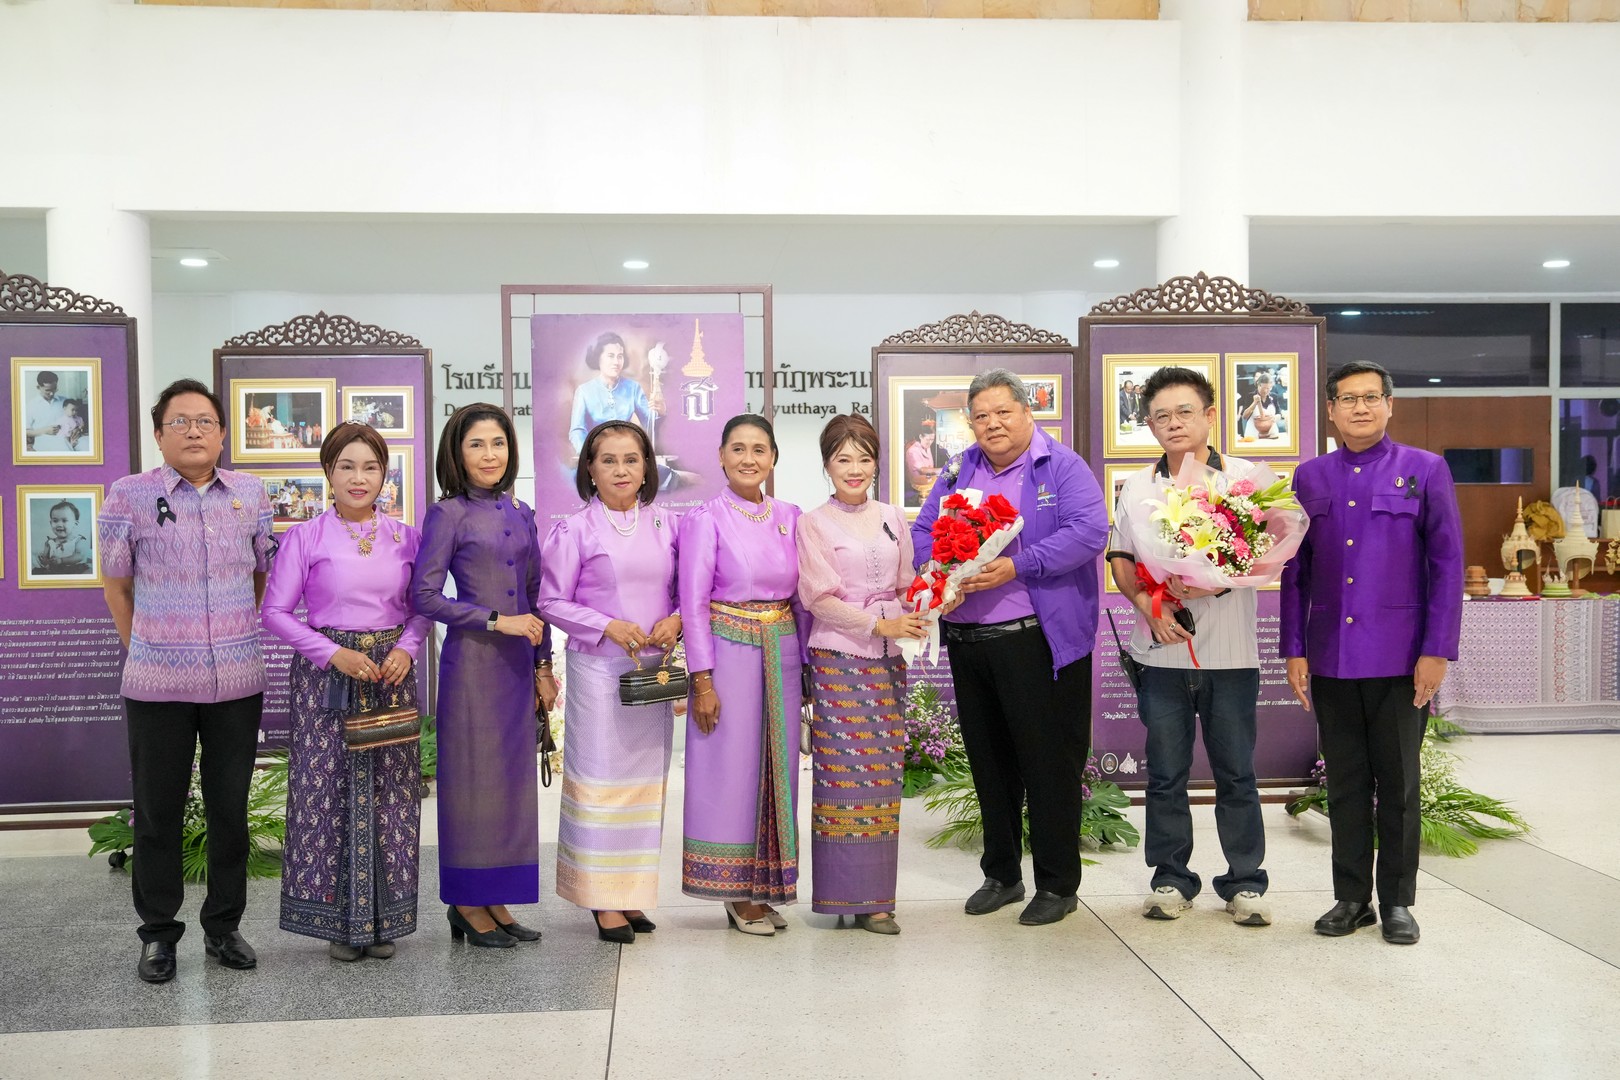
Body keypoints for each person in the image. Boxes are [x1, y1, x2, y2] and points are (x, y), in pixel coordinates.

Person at [911, 368, 1107, 927]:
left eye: (1003, 412)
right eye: (981, 416)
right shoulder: (959, 468)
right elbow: (924, 531)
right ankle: (1001, 874)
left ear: (1027, 412)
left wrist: (1018, 565)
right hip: (969, 641)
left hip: (1037, 641)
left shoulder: (1061, 465)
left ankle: (1058, 884)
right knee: (989, 764)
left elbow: (1089, 531)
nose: (992, 424)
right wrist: (940, 571)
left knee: (1049, 765)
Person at [98, 378, 276, 984]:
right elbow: (117, 587)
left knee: (230, 810)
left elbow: (260, 574)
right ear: (159, 434)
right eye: (180, 421)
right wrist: (146, 648)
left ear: (223, 433)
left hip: (237, 680)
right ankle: (158, 934)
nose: (194, 430)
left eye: (205, 421)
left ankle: (223, 927)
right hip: (157, 684)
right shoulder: (129, 495)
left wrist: (234, 628)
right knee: (157, 813)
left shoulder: (251, 493)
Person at [1281, 361, 1463, 946]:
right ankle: (1352, 898)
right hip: (1331, 657)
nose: (1360, 407)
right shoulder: (1310, 476)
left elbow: (1447, 565)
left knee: (1400, 784)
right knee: (1346, 783)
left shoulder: (1425, 470)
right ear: (1330, 410)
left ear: (1389, 405)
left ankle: (1398, 902)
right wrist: (1294, 648)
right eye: (1347, 398)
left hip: (1401, 659)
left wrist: (1437, 650)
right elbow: (1294, 571)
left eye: (1370, 397)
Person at [1105, 367, 1272, 928]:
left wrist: (1211, 583)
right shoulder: (1136, 487)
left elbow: (1260, 552)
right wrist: (1148, 604)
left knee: (1237, 773)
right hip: (1159, 656)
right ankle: (1170, 879)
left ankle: (1245, 883)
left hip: (1231, 655)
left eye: (1184, 412)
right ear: (1149, 424)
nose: (1173, 423)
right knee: (1165, 774)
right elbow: (1121, 558)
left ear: (1210, 415)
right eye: (1161, 416)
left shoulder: (1245, 479)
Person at [262, 422, 430, 962]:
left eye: (370, 467)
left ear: (385, 474)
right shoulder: (305, 537)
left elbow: (423, 607)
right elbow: (275, 612)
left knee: (391, 794)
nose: (359, 478)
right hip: (327, 680)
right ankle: (339, 922)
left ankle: (384, 919)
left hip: (390, 678)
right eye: (346, 467)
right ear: (328, 474)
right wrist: (332, 654)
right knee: (328, 792)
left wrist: (407, 648)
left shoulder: (407, 537)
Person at [411, 402, 556, 949]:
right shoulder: (447, 514)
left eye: (498, 443)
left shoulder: (522, 511)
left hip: (518, 666)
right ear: (457, 452)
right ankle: (467, 903)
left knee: (511, 787)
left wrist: (544, 666)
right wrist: (495, 620)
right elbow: (424, 596)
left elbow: (535, 595)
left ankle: (497, 899)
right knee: (473, 785)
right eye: (477, 444)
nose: (490, 454)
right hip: (471, 666)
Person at [537, 421, 681, 944]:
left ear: (646, 469)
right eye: (608, 460)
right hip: (599, 672)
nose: (621, 469)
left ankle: (631, 892)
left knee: (645, 785)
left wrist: (678, 619)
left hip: (652, 673)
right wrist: (606, 625)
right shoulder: (574, 530)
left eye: (631, 459)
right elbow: (550, 601)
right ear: (590, 470)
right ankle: (601, 898)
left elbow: (687, 591)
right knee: (600, 783)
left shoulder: (669, 525)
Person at [679, 413, 810, 936]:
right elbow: (692, 605)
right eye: (738, 449)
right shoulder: (704, 518)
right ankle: (734, 892)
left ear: (773, 457)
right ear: (721, 456)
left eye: (759, 449)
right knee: (731, 770)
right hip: (728, 654)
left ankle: (765, 886)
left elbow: (801, 598)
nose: (749, 459)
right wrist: (702, 681)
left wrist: (808, 668)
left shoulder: (791, 516)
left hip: (782, 652)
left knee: (779, 772)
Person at [796, 414, 927, 935]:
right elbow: (818, 598)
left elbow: (907, 582)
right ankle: (839, 895)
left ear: (877, 463)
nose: (854, 469)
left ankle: (877, 901)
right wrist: (878, 623)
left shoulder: (893, 515)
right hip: (839, 660)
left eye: (864, 458)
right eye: (843, 459)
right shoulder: (813, 522)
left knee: (882, 778)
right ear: (827, 465)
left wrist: (937, 597)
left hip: (889, 661)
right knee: (841, 778)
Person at [567, 332, 663, 454]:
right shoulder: (584, 391)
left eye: (620, 356)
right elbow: (577, 430)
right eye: (611, 356)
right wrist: (588, 454)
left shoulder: (633, 388)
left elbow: (649, 422)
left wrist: (660, 411)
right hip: (595, 454)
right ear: (598, 357)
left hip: (625, 452)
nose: (616, 362)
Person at [34, 499, 94, 574]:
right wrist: (44, 560)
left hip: (75, 569)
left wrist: (61, 560)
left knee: (88, 571)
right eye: (55, 521)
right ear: (51, 523)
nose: (59, 524)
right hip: (55, 571)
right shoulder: (49, 543)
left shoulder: (78, 540)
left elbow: (80, 556)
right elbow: (45, 558)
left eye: (64, 520)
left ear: (75, 524)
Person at [24, 370, 66, 452]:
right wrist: (45, 431)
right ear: (38, 387)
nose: (52, 393)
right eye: (47, 390)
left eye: (54, 389)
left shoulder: (65, 401)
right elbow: (25, 432)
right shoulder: (31, 405)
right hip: (44, 441)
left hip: (67, 437)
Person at [1238, 371, 1286, 440]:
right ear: (1258, 385)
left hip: (1271, 434)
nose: (1265, 391)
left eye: (1268, 388)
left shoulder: (1274, 396)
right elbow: (1244, 416)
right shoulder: (1250, 396)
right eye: (1263, 388)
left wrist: (1275, 417)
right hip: (1253, 434)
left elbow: (1279, 413)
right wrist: (1254, 403)